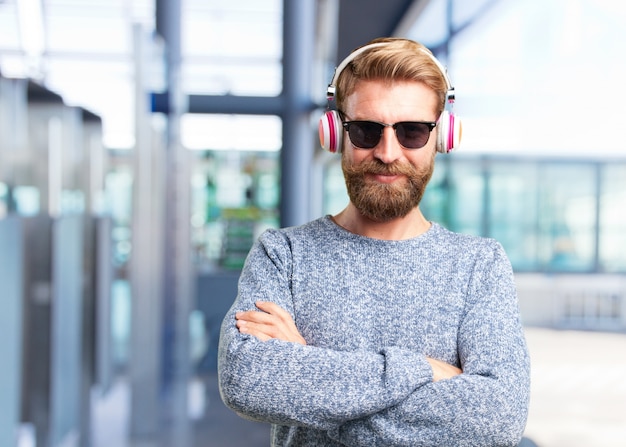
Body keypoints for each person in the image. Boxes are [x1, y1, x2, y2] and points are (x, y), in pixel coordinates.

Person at [218, 37, 531, 446]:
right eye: (366, 130)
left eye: (412, 132)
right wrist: (423, 370)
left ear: (442, 136)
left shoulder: (479, 264)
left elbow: (498, 418)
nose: (387, 152)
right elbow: (248, 381)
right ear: (336, 134)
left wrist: (309, 371)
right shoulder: (283, 254)